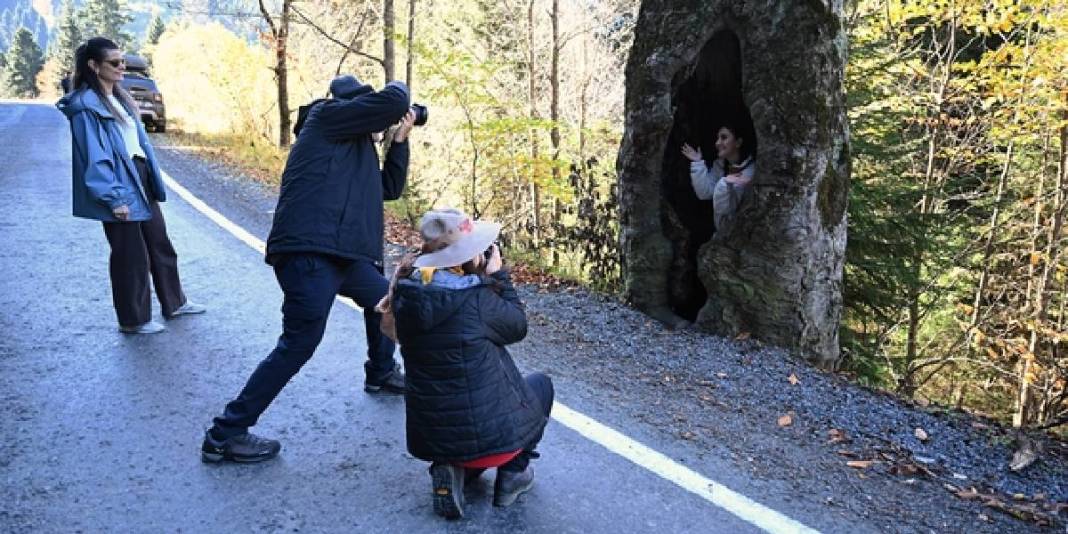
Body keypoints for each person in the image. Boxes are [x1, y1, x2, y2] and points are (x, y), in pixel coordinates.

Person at [201, 75, 417, 463]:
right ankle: (225, 434)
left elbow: (389, 189)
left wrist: (398, 142)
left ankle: (381, 371)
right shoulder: (326, 116)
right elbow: (389, 102)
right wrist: (400, 92)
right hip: (309, 253)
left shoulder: (354, 145)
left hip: (342, 256)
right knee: (299, 344)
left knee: (388, 300)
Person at [380, 208, 552, 519]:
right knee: (542, 385)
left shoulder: (404, 293)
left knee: (458, 393)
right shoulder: (476, 300)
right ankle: (514, 472)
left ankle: (454, 468)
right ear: (465, 257)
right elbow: (517, 328)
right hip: (494, 443)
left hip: (433, 439)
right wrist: (498, 276)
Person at [57, 37, 205, 335]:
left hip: (139, 174)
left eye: (122, 61)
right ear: (93, 66)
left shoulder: (118, 97)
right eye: (114, 62)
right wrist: (113, 199)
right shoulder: (86, 106)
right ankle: (133, 319)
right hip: (116, 180)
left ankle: (174, 302)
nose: (122, 67)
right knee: (130, 255)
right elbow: (94, 157)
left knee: (159, 243)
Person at [681, 123, 756, 237]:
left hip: (742, 235)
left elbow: (726, 209)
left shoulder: (751, 170)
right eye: (717, 138)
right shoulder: (721, 165)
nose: (717, 143)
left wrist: (724, 183)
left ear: (738, 142)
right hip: (724, 235)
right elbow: (705, 193)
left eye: (724, 137)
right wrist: (698, 163)